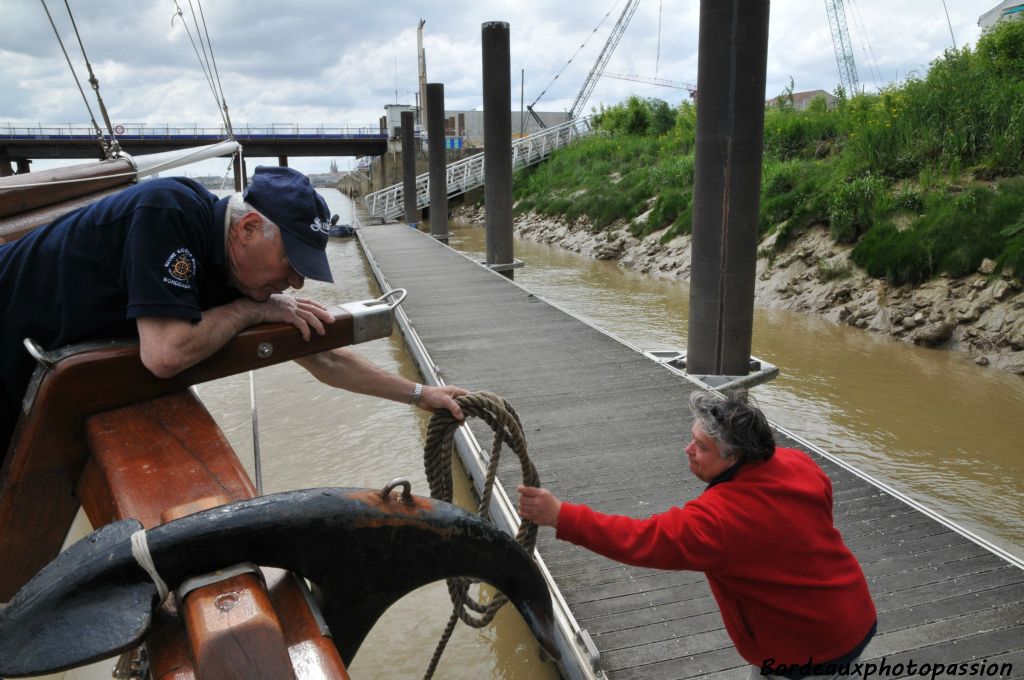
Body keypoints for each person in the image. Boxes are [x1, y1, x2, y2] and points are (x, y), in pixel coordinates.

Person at [0, 165, 466, 461]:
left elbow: (322, 356)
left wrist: (419, 394)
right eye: (292, 263)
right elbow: (165, 353)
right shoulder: (168, 213)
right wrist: (250, 311)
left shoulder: (239, 274)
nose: (297, 283)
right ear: (247, 228)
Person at [517, 390, 876, 679]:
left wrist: (561, 515)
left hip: (801, 649)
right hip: (852, 614)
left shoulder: (720, 520)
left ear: (736, 458)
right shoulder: (798, 463)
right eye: (693, 438)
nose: (688, 451)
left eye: (702, 448)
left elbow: (643, 540)